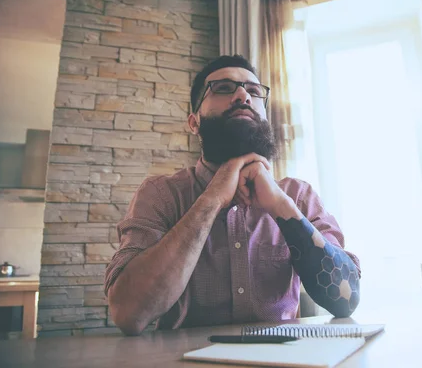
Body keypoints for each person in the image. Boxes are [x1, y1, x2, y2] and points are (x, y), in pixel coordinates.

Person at [105, 55, 361, 335]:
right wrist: (212, 198)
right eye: (223, 88)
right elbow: (127, 313)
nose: (242, 95)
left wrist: (280, 204)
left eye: (253, 91)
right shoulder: (161, 194)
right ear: (194, 122)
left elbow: (345, 300)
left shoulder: (298, 196)